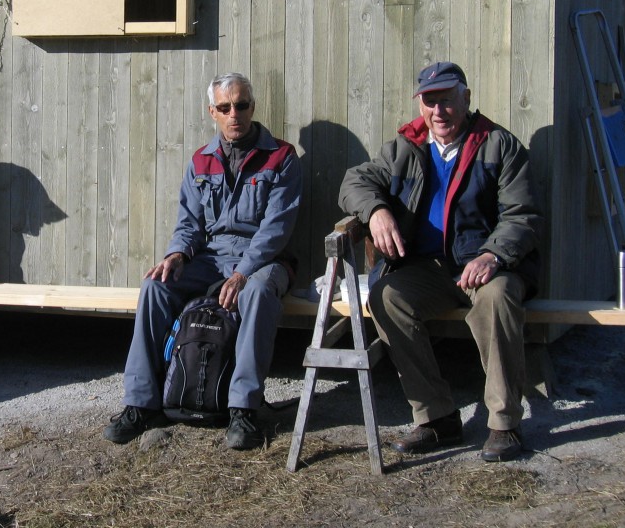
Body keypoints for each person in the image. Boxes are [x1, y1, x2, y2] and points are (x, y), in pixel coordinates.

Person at [339, 62, 542, 462]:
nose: (438, 112)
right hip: (428, 269)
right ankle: (436, 417)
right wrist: (376, 210)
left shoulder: (499, 145)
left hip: (488, 268)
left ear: (465, 99)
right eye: (429, 102)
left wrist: (493, 254)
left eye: (446, 101)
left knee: (497, 299)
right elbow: (353, 183)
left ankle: (504, 424)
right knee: (387, 298)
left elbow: (523, 215)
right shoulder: (404, 148)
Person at [104, 72, 302, 450]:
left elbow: (276, 229)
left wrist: (244, 273)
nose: (234, 114)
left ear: (252, 107)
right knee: (154, 287)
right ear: (212, 111)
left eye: (241, 105)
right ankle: (141, 403)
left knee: (258, 293)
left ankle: (243, 409)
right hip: (210, 258)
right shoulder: (201, 159)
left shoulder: (282, 157)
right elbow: (189, 224)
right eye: (224, 107)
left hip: (263, 260)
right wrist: (176, 254)